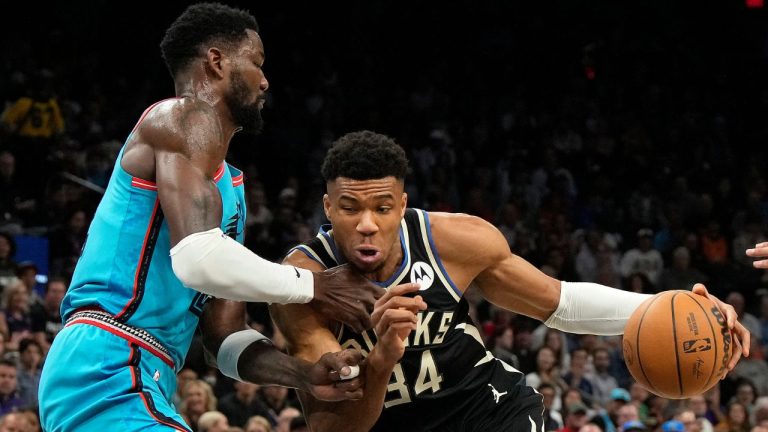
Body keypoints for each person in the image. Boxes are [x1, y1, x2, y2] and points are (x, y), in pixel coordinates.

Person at [37, 4, 383, 431]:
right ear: (217, 62)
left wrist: (304, 375)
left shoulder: (230, 193)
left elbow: (225, 341)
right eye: (256, 62)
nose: (265, 79)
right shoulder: (178, 116)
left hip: (146, 376)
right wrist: (314, 285)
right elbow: (195, 259)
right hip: (106, 361)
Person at [269, 130, 750, 431]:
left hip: (490, 409)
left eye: (382, 207)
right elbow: (337, 428)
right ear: (329, 208)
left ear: (403, 204)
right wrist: (380, 360)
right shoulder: (299, 284)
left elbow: (558, 302)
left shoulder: (454, 240)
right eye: (350, 208)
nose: (368, 223)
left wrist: (675, 305)